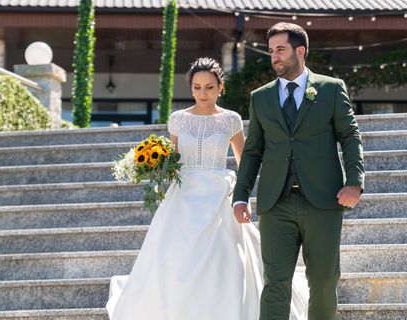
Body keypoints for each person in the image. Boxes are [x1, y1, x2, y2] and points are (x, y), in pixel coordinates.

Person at [106, 57, 307, 319]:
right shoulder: (178, 119)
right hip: (183, 196)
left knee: (227, 257)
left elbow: (244, 160)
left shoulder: (230, 120)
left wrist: (243, 196)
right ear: (191, 89)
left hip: (219, 195)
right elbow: (174, 160)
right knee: (174, 256)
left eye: (209, 87)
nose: (203, 93)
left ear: (220, 87)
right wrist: (154, 165)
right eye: (197, 87)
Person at [232, 22, 365, 320]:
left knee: (323, 280)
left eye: (281, 50)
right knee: (275, 283)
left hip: (323, 201)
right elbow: (253, 150)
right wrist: (240, 196)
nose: (274, 57)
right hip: (275, 203)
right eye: (270, 51)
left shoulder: (331, 89)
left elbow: (350, 136)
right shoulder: (260, 97)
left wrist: (354, 181)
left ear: (300, 50)